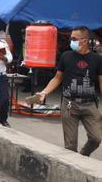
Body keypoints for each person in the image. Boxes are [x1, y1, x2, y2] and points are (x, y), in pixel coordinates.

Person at [37, 26, 101, 156]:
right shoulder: (66, 56)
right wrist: (44, 92)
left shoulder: (97, 59)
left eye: (74, 39)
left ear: (85, 40)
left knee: (96, 138)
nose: (71, 41)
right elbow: (57, 78)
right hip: (69, 105)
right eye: (71, 38)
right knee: (70, 145)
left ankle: (82, 156)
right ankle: (75, 163)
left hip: (90, 104)